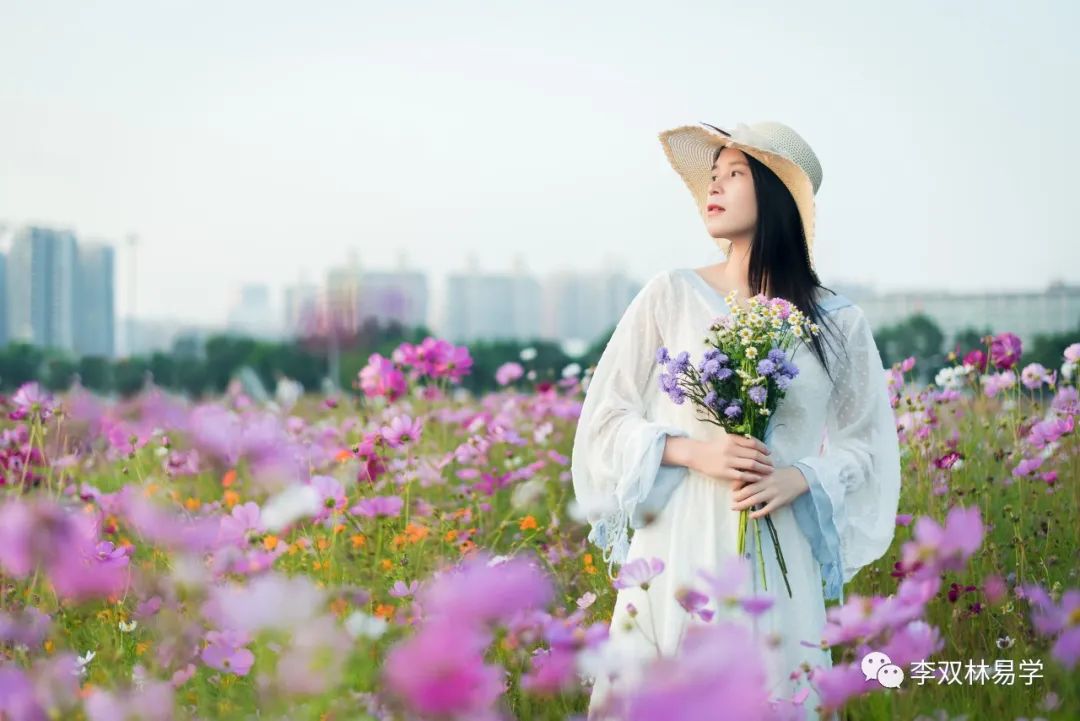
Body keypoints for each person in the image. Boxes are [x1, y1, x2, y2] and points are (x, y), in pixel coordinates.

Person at [571, 121, 902, 720]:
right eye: (711, 177)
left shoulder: (837, 321)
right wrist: (692, 451)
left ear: (775, 192)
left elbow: (869, 447)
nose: (711, 189)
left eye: (733, 174)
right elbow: (606, 419)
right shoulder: (670, 294)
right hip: (680, 541)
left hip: (781, 548)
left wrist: (800, 476)